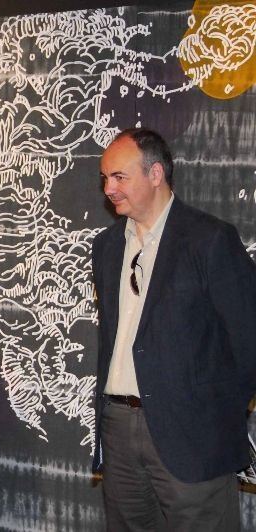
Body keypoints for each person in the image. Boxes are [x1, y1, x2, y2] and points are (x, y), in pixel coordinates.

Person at [92, 128, 256, 530]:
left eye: (119, 177)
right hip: (118, 428)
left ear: (155, 174)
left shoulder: (210, 240)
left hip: (193, 433)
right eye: (105, 178)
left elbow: (249, 340)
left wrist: (213, 416)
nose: (109, 188)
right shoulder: (107, 246)